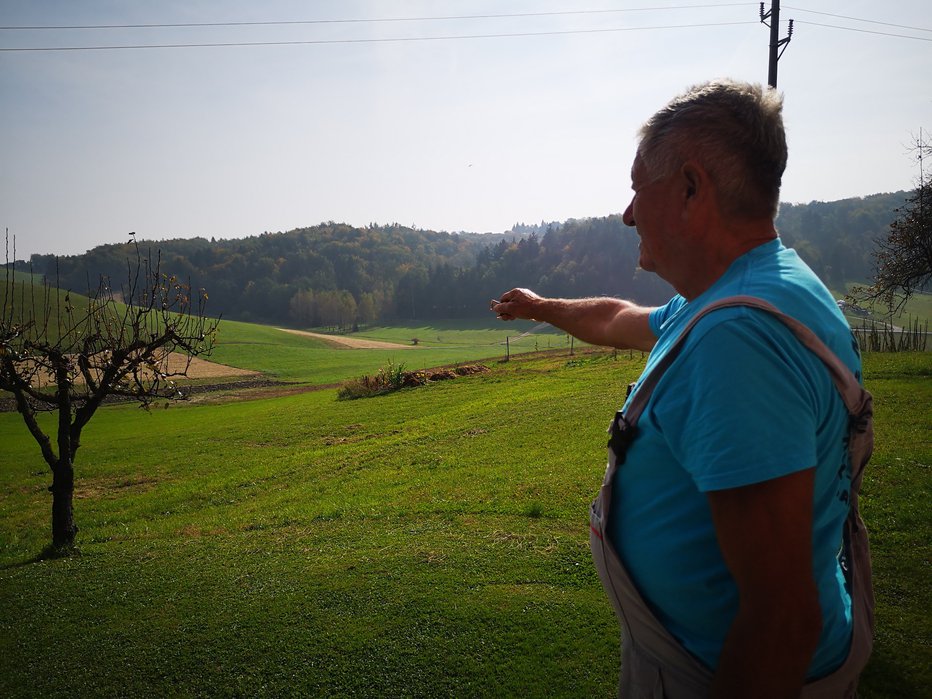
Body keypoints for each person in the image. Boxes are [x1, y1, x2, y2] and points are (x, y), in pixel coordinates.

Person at [490, 80, 873, 697]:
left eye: (640, 188)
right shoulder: (754, 287)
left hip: (708, 672)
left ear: (692, 189)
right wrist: (541, 307)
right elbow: (616, 318)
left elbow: (779, 620)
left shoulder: (737, 338)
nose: (628, 213)